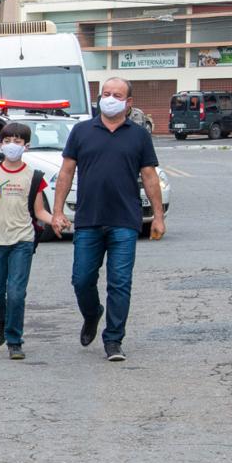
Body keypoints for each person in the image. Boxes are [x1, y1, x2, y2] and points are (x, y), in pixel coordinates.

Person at [52, 77, 165, 362]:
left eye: (117, 94)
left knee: (120, 282)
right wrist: (57, 211)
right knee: (81, 279)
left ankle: (114, 339)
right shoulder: (81, 131)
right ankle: (92, 314)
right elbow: (66, 172)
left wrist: (158, 218)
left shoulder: (139, 135)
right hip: (89, 219)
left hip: (125, 221)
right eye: (106, 93)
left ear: (128, 103)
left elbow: (150, 177)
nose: (110, 98)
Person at [0, 123, 54, 360]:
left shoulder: (34, 177)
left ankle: (15, 340)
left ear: (26, 146)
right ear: (0, 144)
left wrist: (56, 220)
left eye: (17, 141)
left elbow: (39, 212)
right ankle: (2, 320)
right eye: (8, 141)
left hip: (23, 241)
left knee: (16, 293)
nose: (12, 145)